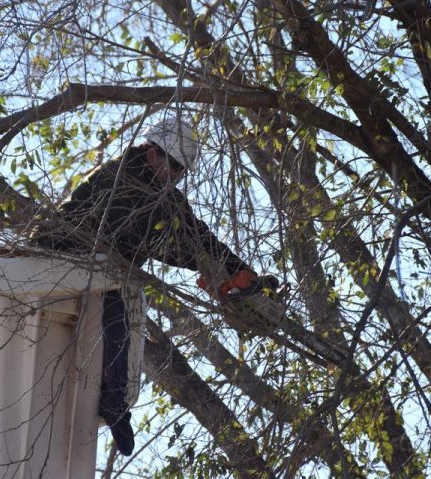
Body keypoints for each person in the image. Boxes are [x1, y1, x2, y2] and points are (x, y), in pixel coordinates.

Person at [31, 114, 270, 456]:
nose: (174, 174)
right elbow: (152, 238)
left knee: (119, 302)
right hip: (57, 254)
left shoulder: (159, 192)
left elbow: (196, 233)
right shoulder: (121, 179)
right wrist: (200, 261)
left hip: (95, 268)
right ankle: (114, 400)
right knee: (117, 307)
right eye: (171, 164)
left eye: (180, 170)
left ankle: (113, 398)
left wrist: (240, 271)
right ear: (150, 151)